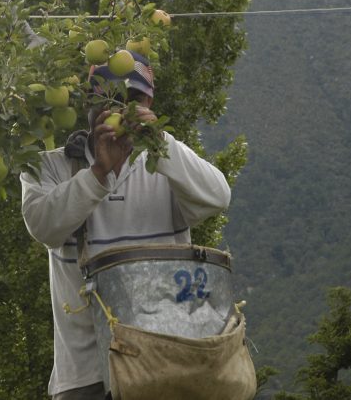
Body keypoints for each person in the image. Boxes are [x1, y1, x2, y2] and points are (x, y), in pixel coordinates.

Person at [20, 51, 232, 400]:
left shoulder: (164, 164)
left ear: (149, 103)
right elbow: (44, 227)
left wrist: (160, 142)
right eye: (108, 98)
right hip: (86, 376)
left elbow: (217, 197)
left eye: (131, 100)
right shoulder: (51, 167)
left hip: (166, 365)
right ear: (87, 102)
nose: (119, 109)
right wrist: (98, 174)